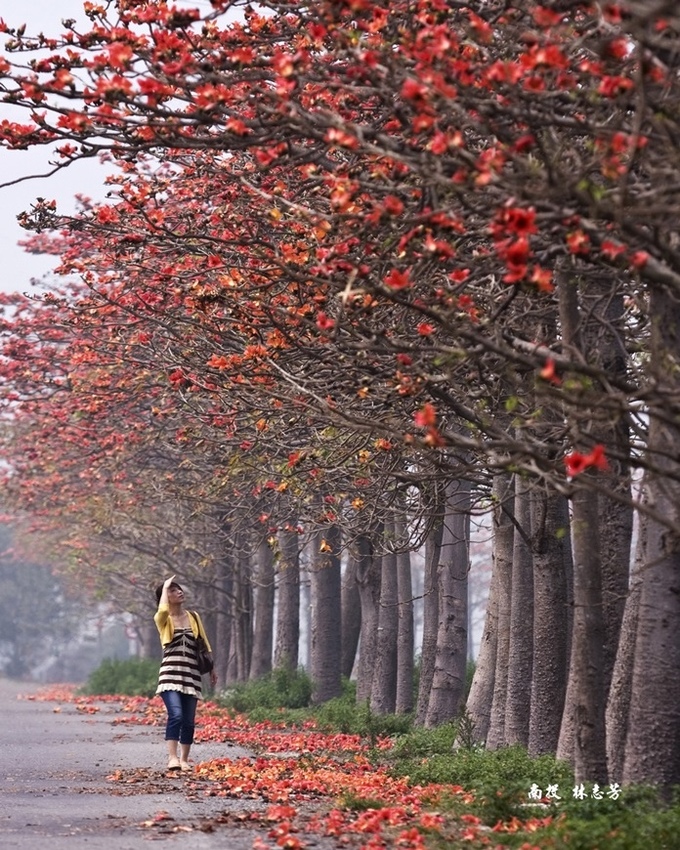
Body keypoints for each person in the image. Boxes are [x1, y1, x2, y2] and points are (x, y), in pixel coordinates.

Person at [153, 575, 217, 772]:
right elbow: (162, 610)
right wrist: (164, 586)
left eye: (178, 589)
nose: (179, 592)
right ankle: (172, 758)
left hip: (191, 676)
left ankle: (184, 759)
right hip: (170, 676)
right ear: (165, 597)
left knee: (189, 721)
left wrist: (212, 669)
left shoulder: (193, 617)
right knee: (176, 715)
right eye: (172, 590)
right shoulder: (163, 620)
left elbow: (204, 644)